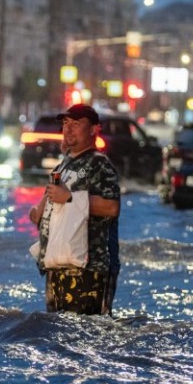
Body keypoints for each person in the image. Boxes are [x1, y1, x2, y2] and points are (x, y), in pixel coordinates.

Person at [28, 104, 121, 315]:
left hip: (90, 268)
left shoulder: (99, 164)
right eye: (65, 123)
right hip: (58, 265)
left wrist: (70, 197)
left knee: (87, 337)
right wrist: (38, 213)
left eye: (76, 124)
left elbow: (111, 207)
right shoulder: (65, 164)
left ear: (93, 129)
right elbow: (53, 199)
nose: (68, 129)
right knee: (58, 336)